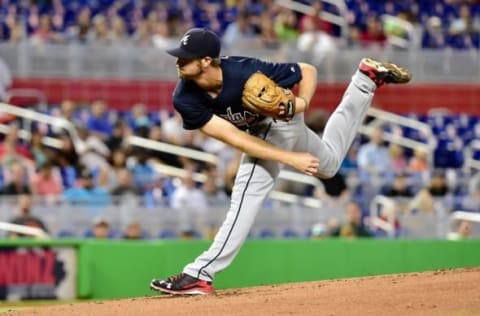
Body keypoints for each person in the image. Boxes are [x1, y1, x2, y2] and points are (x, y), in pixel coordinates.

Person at [150, 27, 411, 295]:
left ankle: (199, 274)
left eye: (185, 57)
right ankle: (364, 81)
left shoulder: (244, 72)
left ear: (206, 60)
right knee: (330, 164)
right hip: (263, 132)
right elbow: (234, 138)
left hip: (277, 123)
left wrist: (302, 104)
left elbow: (306, 70)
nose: (178, 61)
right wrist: (290, 158)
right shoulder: (184, 97)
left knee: (246, 195)